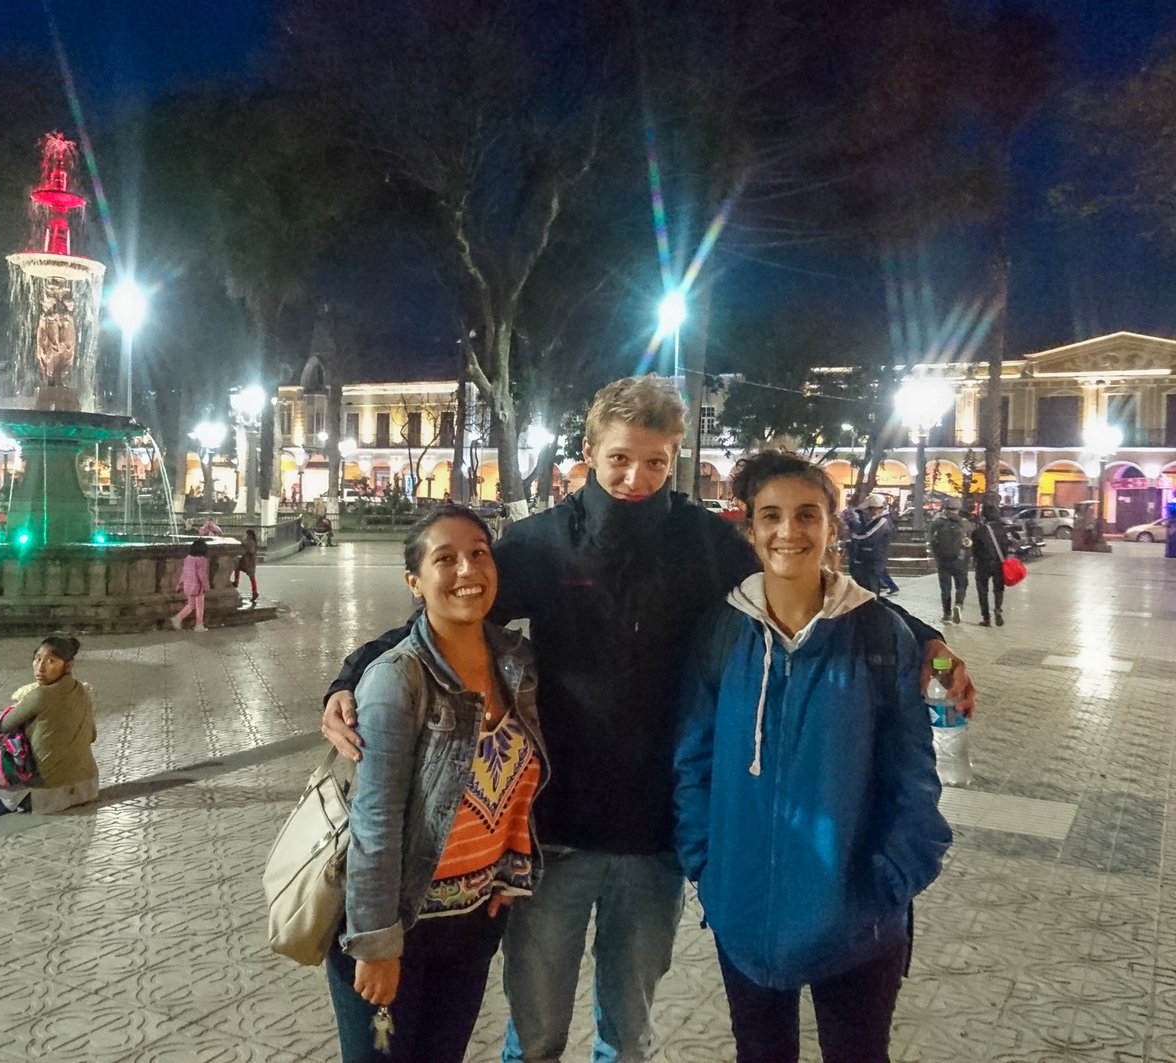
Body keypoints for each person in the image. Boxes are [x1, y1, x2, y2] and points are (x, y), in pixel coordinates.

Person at [324, 376, 971, 1062]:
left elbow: (812, 581)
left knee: (628, 1035)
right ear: (589, 453)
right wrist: (353, 674)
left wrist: (926, 637)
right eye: (620, 459)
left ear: (676, 458)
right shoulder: (542, 543)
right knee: (536, 1032)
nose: (637, 477)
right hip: (555, 838)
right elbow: (448, 607)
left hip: (655, 838)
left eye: (656, 461)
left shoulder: (704, 541)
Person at [674, 451, 950, 1063]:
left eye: (807, 515)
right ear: (749, 529)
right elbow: (693, 764)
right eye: (770, 516)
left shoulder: (881, 637)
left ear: (834, 524)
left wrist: (884, 886)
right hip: (743, 911)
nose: (788, 531)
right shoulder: (721, 633)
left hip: (857, 919)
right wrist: (708, 868)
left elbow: (915, 782)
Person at [329, 506, 547, 1063]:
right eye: (444, 558)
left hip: (472, 922)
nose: (466, 570)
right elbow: (374, 822)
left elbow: (511, 789)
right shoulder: (398, 678)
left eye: (478, 553)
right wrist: (377, 944)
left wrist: (506, 875)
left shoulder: (516, 664)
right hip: (400, 922)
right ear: (415, 583)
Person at [0, 634, 99, 816]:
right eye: (37, 659)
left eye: (51, 661)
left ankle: (7, 817)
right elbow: (92, 735)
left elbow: (1, 726)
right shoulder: (82, 691)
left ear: (68, 665)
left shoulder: (39, 696)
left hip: (51, 796)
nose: (41, 668)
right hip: (88, 787)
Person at [927, 501, 973, 623]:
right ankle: (958, 604)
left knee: (945, 588)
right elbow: (969, 542)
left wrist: (936, 557)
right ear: (958, 509)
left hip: (943, 561)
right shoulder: (965, 524)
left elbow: (931, 542)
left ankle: (946, 614)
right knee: (961, 585)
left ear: (945, 508)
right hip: (960, 561)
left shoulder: (937, 523)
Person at [970, 502, 1010, 627]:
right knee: (998, 589)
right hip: (999, 563)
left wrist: (975, 561)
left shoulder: (978, 531)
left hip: (983, 564)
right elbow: (1006, 547)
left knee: (983, 590)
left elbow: (974, 550)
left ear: (984, 516)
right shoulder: (1002, 530)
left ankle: (986, 618)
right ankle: (998, 609)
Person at [848, 496, 892, 596]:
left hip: (873, 561)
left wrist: (853, 533)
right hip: (865, 561)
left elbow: (867, 536)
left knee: (871, 591)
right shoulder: (872, 521)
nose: (867, 513)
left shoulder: (882, 521)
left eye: (869, 509)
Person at [172, 538, 211, 631]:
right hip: (198, 587)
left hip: (188, 586)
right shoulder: (202, 560)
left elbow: (184, 573)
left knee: (191, 605)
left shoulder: (188, 558)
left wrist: (180, 584)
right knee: (200, 606)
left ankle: (178, 618)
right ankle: (199, 625)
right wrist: (206, 586)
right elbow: (202, 575)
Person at [231, 528, 260, 602]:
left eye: (246, 534)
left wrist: (244, 545)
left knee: (251, 577)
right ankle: (253, 591)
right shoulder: (252, 542)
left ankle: (254, 592)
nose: (245, 536)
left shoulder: (250, 542)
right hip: (247, 561)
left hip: (249, 562)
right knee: (238, 568)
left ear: (249, 536)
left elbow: (250, 550)